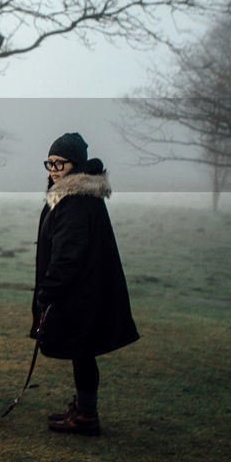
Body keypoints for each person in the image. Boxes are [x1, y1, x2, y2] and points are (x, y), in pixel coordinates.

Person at [32, 132, 139, 435]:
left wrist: (49, 291)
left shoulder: (75, 201)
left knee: (82, 350)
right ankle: (83, 408)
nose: (53, 169)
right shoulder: (71, 196)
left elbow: (68, 254)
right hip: (82, 291)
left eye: (59, 163)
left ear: (75, 165)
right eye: (49, 163)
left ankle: (87, 416)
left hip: (80, 293)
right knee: (82, 352)